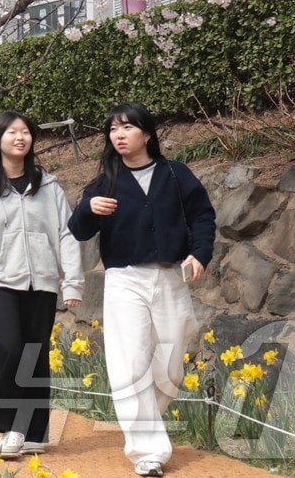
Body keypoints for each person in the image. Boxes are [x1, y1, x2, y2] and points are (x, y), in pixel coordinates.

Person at [68, 102, 216, 478]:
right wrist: (88, 208)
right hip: (125, 279)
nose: (118, 135)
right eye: (113, 129)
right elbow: (78, 229)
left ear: (146, 134)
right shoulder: (105, 183)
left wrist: (200, 255)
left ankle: (142, 420)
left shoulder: (175, 173)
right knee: (130, 362)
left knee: (171, 364)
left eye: (127, 128)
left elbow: (202, 216)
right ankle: (147, 452)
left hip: (170, 276)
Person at [0, 111, 84, 460]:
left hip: (41, 282)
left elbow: (66, 234)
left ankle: (35, 432)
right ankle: (13, 426)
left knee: (34, 353)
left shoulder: (49, 186)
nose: (20, 137)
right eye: (12, 132)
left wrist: (72, 283)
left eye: (25, 132)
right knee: (7, 345)